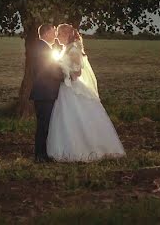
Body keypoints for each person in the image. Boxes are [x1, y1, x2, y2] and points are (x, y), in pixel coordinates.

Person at [46, 23, 126, 162]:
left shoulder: (75, 49)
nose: (57, 37)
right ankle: (66, 148)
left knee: (77, 116)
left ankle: (86, 149)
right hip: (65, 88)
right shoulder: (66, 48)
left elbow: (77, 72)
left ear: (66, 35)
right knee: (64, 118)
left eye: (59, 34)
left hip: (73, 87)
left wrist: (64, 71)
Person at [29, 22, 64, 162]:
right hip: (44, 93)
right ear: (47, 32)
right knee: (44, 125)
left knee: (46, 124)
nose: (56, 34)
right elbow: (49, 70)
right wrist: (65, 76)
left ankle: (43, 154)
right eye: (54, 31)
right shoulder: (42, 48)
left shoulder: (44, 47)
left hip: (44, 92)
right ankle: (40, 156)